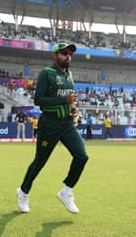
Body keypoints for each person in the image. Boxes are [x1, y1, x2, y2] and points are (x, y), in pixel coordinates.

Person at [16, 43, 89, 214]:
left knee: (82, 156)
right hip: (49, 124)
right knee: (40, 162)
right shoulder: (46, 74)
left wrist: (73, 109)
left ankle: (66, 191)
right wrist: (65, 101)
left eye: (70, 53)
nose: (68, 56)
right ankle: (23, 192)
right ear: (55, 55)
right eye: (64, 53)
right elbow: (38, 100)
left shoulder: (69, 75)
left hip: (66, 123)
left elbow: (69, 99)